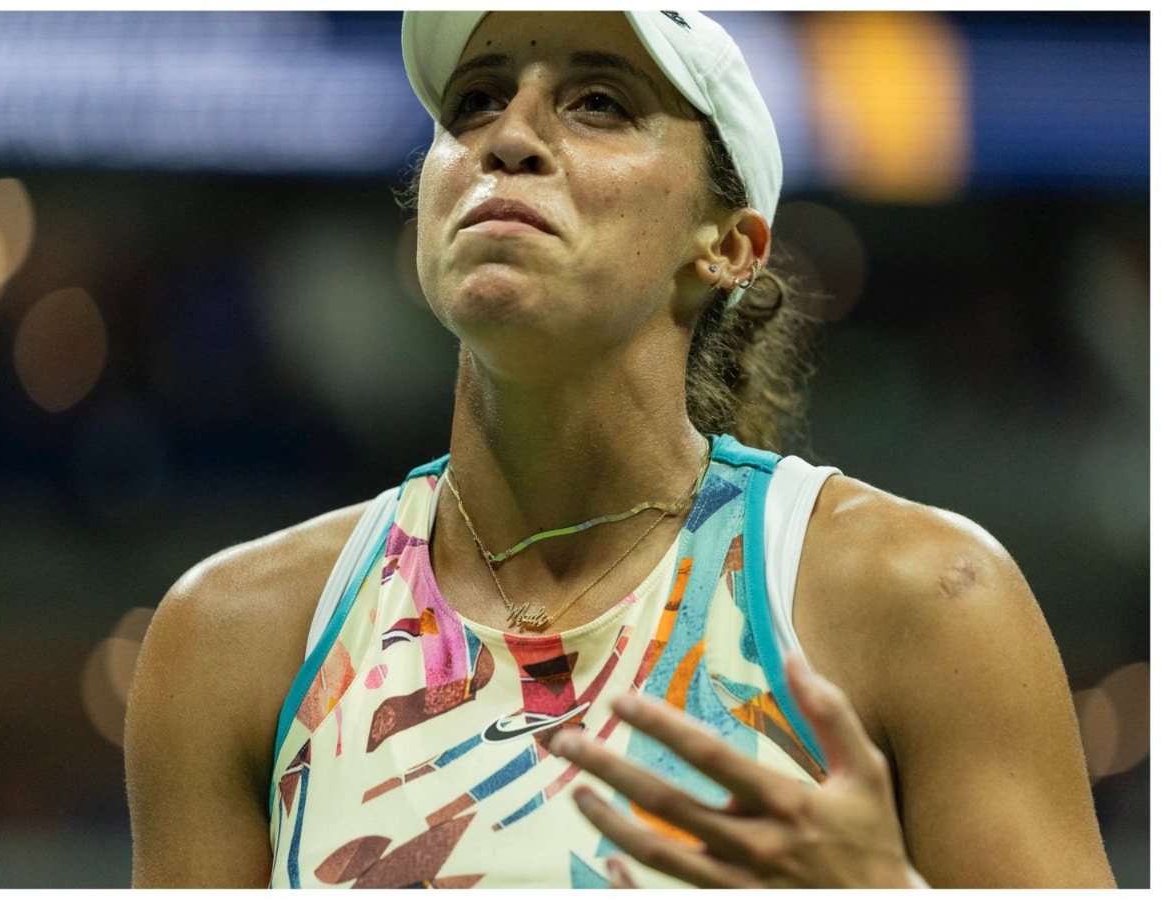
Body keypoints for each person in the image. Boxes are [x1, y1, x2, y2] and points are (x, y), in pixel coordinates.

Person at [124, 10, 1115, 889]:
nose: (508, 137)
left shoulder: (924, 599)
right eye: (473, 102)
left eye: (598, 102)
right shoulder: (236, 636)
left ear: (728, 245)